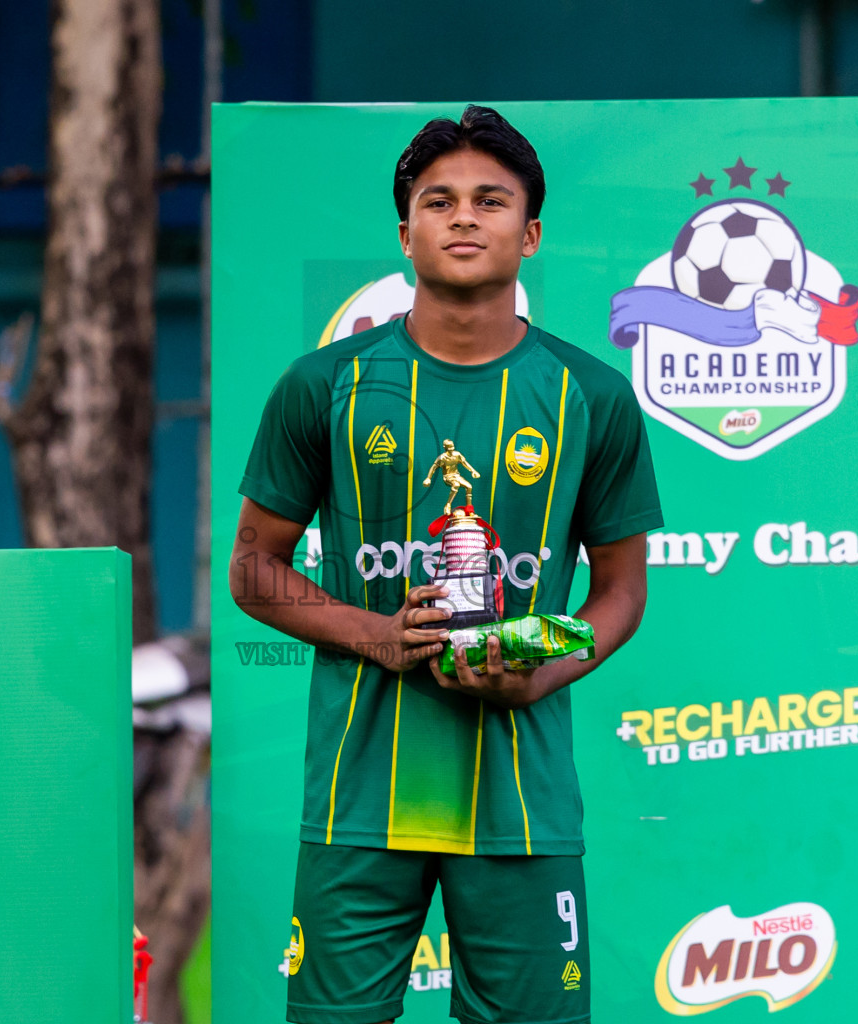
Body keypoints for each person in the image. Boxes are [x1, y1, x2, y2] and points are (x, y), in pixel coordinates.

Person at [229, 104, 662, 1024]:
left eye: (490, 199)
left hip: (523, 800)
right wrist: (379, 636)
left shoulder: (593, 396)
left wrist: (547, 664)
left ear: (530, 233)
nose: (464, 216)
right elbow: (254, 569)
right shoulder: (322, 387)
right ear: (405, 232)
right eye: (439, 200)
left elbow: (621, 590)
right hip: (358, 796)